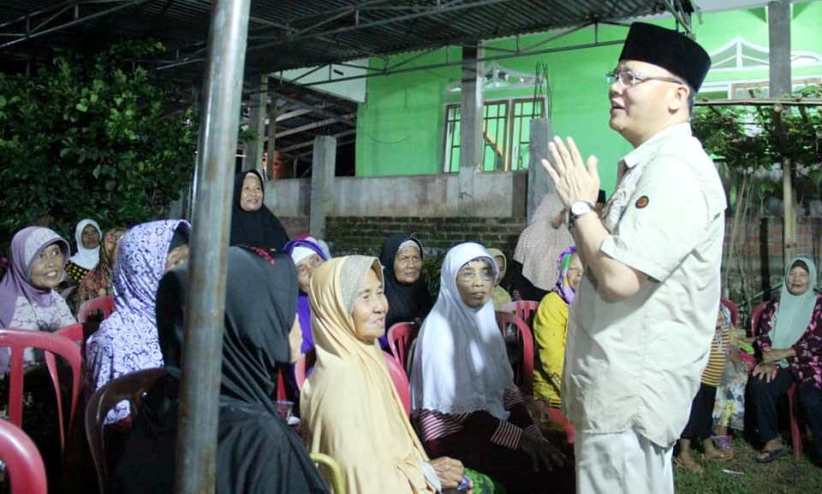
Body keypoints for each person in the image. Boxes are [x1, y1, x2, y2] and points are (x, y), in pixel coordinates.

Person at [541, 22, 725, 493]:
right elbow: (606, 259)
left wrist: (583, 207)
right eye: (615, 76)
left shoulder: (675, 171)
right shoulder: (652, 167)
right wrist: (584, 215)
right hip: (615, 388)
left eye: (631, 78)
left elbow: (619, 278)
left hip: (630, 394)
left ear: (676, 96)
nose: (615, 89)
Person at [112, 246, 328, 494]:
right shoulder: (258, 438)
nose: (299, 324)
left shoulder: (166, 396)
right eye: (284, 311)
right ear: (252, 321)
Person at [302, 255, 484, 494]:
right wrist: (427, 476)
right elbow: (361, 482)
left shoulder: (365, 356)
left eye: (379, 292)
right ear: (334, 307)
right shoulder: (340, 382)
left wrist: (427, 470)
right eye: (365, 296)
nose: (381, 306)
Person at [410, 242, 568, 494]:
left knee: (559, 452)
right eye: (467, 273)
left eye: (486, 272)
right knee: (541, 470)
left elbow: (508, 392)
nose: (478, 282)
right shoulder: (439, 329)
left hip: (486, 424)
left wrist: (533, 434)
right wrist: (522, 441)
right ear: (451, 279)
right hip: (451, 436)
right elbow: (463, 413)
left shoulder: (484, 321)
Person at [86, 220, 191, 423]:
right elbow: (113, 430)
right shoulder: (115, 340)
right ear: (141, 270)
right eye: (177, 263)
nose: (187, 274)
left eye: (190, 262)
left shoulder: (185, 324)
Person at [750, 256, 822, 465]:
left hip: (811, 364)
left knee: (811, 399)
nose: (796, 279)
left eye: (802, 275)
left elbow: (816, 340)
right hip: (780, 363)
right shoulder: (776, 304)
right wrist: (767, 357)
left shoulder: (818, 305)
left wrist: (783, 353)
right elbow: (763, 334)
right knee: (760, 382)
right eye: (792, 273)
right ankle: (772, 441)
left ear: (811, 278)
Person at [0, 227, 75, 369]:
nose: (52, 263)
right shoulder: (7, 305)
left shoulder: (54, 297)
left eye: (55, 252)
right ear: (21, 261)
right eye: (40, 256)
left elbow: (74, 339)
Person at [675, 305, 734, 473]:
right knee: (693, 414)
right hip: (700, 375)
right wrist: (708, 324)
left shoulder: (724, 309)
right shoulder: (697, 305)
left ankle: (707, 447)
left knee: (705, 413)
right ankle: (683, 453)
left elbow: (729, 337)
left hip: (713, 378)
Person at [532, 247, 582, 410]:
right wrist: (581, 393)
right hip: (556, 395)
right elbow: (552, 359)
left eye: (586, 269)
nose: (580, 275)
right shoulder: (553, 304)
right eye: (573, 269)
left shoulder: (592, 304)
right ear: (564, 271)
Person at [511, 190, 573, 302]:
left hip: (558, 293)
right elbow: (518, 265)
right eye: (561, 213)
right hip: (530, 290)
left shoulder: (566, 235)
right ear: (550, 208)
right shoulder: (531, 233)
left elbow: (571, 261)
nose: (563, 218)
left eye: (565, 213)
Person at [710, 304, 755, 458]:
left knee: (736, 374)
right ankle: (717, 428)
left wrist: (735, 354)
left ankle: (722, 425)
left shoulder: (723, 309)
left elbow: (731, 340)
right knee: (722, 371)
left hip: (720, 353)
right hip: (697, 352)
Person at [379, 234, 433, 349]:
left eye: (416, 258)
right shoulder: (378, 291)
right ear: (390, 260)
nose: (411, 265)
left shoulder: (421, 289)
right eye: (404, 258)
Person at [284, 236, 329, 354]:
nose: (312, 272)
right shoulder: (294, 314)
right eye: (301, 269)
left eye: (315, 261)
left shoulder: (349, 296)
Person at [230, 169, 289, 250]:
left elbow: (285, 251)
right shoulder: (227, 224)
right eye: (247, 188)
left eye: (258, 188)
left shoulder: (270, 221)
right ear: (237, 191)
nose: (253, 193)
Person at [71, 227, 126, 310]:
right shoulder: (92, 280)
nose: (116, 246)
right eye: (112, 242)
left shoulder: (141, 274)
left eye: (119, 241)